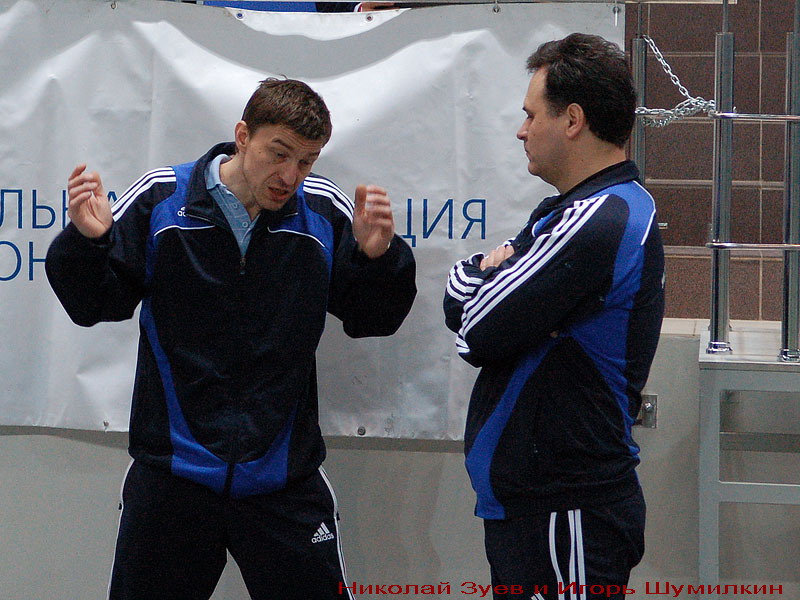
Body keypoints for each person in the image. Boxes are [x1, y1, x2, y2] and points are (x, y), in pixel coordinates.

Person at [46, 77, 416, 600]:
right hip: (172, 477)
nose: (290, 176)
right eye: (278, 154)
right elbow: (93, 305)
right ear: (243, 136)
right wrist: (88, 242)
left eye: (307, 161)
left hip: (282, 479)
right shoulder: (161, 199)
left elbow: (373, 318)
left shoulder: (323, 212)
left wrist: (379, 260)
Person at [443, 34, 664, 600]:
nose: (522, 131)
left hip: (567, 509)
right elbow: (464, 298)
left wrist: (481, 277)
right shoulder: (567, 212)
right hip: (538, 506)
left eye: (530, 114)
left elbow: (476, 327)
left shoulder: (601, 219)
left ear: (572, 120)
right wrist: (481, 278)